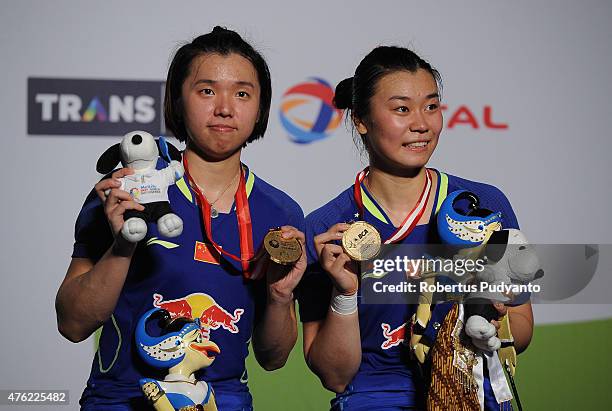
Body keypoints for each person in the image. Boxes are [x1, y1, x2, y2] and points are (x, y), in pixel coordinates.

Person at [55, 26, 306, 411]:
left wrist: (279, 295)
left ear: (260, 109)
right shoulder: (126, 188)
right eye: (206, 91)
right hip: (124, 401)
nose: (225, 107)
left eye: (242, 93)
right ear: (177, 100)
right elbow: (72, 325)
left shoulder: (280, 213)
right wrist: (123, 247)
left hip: (222, 403)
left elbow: (273, 358)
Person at [297, 46, 534, 410]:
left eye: (431, 106)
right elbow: (335, 376)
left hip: (471, 394)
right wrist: (344, 294)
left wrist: (484, 314)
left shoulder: (487, 206)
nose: (422, 123)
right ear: (361, 119)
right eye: (402, 109)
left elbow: (522, 330)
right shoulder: (327, 228)